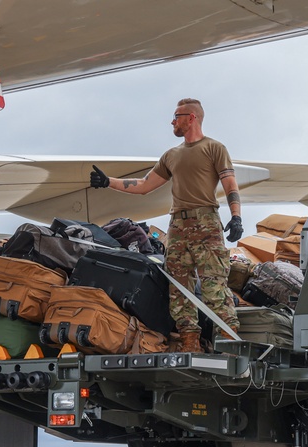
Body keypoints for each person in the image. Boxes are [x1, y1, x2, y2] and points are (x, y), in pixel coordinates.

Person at [89, 98, 242, 353]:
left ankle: (229, 343)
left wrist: (236, 216)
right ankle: (189, 344)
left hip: (206, 224)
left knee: (214, 285)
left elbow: (229, 183)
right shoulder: (171, 155)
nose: (172, 121)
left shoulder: (215, 148)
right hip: (178, 228)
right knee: (179, 289)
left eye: (177, 116)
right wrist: (108, 182)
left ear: (191, 118)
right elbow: (144, 185)